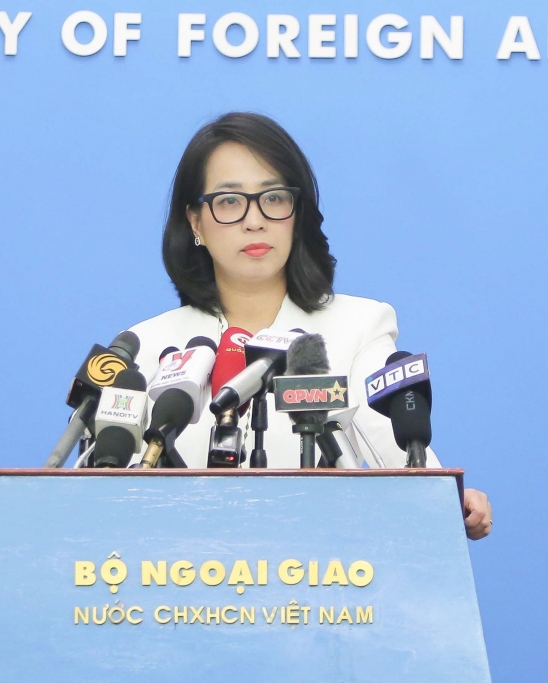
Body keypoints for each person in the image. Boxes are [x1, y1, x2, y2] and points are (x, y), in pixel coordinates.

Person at [127, 112, 492, 540]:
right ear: (195, 222)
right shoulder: (147, 346)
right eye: (229, 201)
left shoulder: (356, 326)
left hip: (320, 569)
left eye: (273, 198)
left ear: (297, 214)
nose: (254, 220)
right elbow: (104, 485)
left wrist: (442, 497)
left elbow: (393, 445)